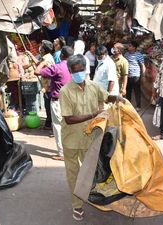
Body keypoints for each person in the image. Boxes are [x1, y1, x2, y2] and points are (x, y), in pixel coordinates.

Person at [59, 54, 123, 221]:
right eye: (75, 71)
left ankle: (90, 194)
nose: (79, 73)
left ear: (86, 70)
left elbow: (106, 96)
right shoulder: (65, 91)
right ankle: (77, 205)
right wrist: (93, 114)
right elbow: (69, 118)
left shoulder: (93, 86)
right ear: (70, 71)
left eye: (82, 70)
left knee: (92, 171)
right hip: (71, 140)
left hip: (91, 138)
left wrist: (117, 98)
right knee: (74, 174)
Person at [36, 46, 74, 161]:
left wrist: (42, 62)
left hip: (59, 101)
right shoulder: (73, 67)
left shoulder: (57, 67)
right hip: (71, 100)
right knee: (70, 126)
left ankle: (62, 153)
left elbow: (37, 72)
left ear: (62, 55)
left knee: (58, 126)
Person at [29, 40, 55, 129]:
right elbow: (38, 64)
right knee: (48, 105)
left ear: (44, 49)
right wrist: (31, 55)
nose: (40, 48)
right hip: (47, 86)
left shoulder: (47, 59)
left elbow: (50, 74)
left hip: (49, 86)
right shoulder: (45, 57)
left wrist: (46, 87)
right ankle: (49, 123)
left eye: (41, 46)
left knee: (48, 106)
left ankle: (49, 124)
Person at [124, 40, 145, 111]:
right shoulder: (126, 54)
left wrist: (143, 76)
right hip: (128, 76)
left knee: (137, 92)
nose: (128, 47)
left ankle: (138, 106)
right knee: (128, 91)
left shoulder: (139, 55)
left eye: (130, 46)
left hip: (136, 76)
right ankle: (128, 105)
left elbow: (142, 66)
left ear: (134, 47)